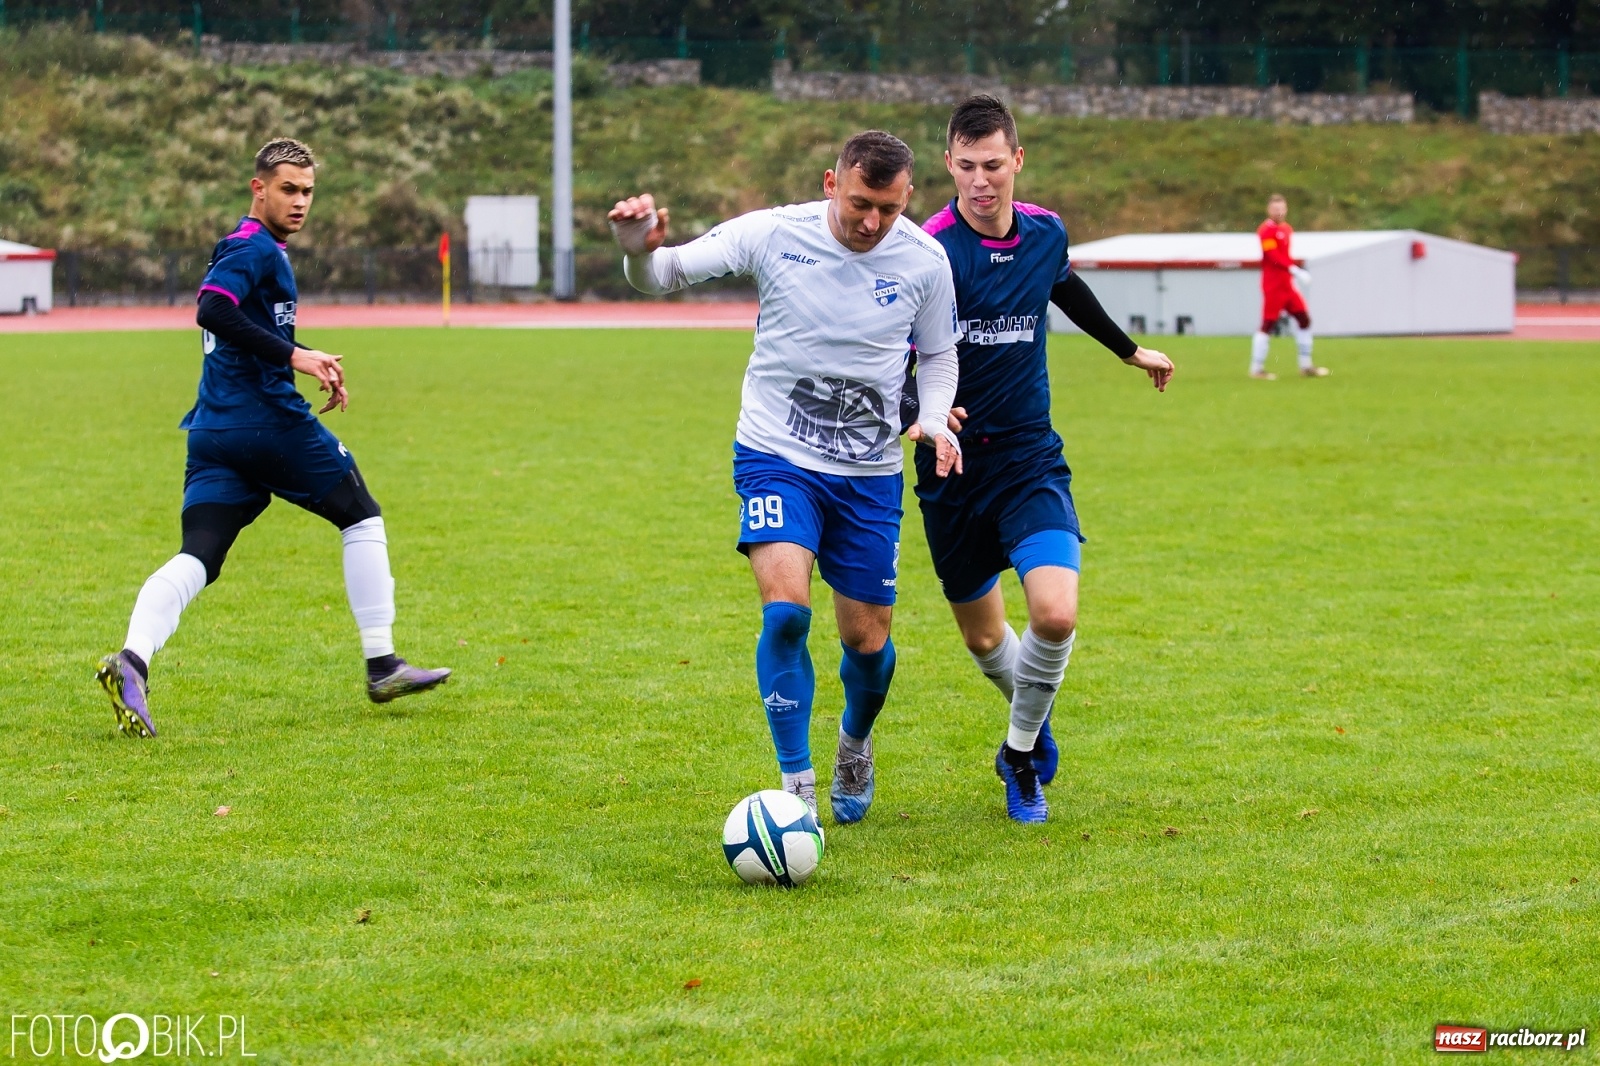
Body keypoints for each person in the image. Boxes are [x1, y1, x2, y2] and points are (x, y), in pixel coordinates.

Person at [607, 131, 961, 822]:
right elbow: (665, 272)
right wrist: (636, 249)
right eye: (860, 203)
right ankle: (795, 786)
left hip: (868, 474)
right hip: (776, 455)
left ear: (907, 197)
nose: (870, 222)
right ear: (832, 183)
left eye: (887, 210)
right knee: (787, 611)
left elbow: (940, 356)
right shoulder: (774, 233)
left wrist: (939, 416)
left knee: (867, 641)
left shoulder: (925, 260)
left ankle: (853, 743)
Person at [96, 138, 450, 738]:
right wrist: (298, 356)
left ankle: (131, 661)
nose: (300, 201)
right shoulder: (252, 247)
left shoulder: (250, 249)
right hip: (267, 424)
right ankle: (382, 663)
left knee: (199, 556)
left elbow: (247, 323)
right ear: (258, 187)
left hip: (213, 431)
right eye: (288, 188)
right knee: (361, 517)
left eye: (308, 191)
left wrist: (305, 356)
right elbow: (211, 309)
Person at [913, 95, 1174, 822]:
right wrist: (919, 414)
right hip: (952, 470)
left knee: (1054, 617)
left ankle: (1019, 755)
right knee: (987, 636)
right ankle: (1031, 723)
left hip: (1030, 458)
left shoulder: (1046, 234)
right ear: (949, 166)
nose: (980, 181)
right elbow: (886, 346)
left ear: (1017, 161)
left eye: (993, 165)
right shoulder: (929, 251)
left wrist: (1129, 351)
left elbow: (1064, 287)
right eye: (966, 167)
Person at [1250, 193, 1328, 379]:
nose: (1279, 212)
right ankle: (1257, 368)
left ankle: (1306, 365)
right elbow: (1273, 256)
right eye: (1275, 209)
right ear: (1269, 210)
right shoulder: (1265, 231)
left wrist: (1292, 272)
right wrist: (1294, 269)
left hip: (1287, 285)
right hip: (1273, 284)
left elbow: (1284, 255)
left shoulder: (1286, 229)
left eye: (1282, 208)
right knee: (1268, 324)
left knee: (1304, 319)